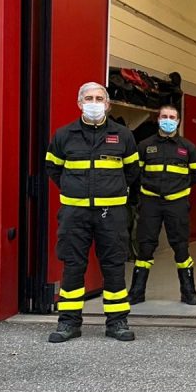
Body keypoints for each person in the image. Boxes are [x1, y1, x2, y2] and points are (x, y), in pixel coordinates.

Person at [43, 81, 141, 343]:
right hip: (75, 213)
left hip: (112, 212)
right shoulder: (64, 135)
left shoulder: (123, 135)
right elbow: (53, 169)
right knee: (73, 266)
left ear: (108, 104)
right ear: (79, 103)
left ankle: (117, 322)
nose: (94, 103)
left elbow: (132, 171)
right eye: (89, 98)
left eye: (99, 98)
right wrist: (73, 189)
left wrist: (111, 190)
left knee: (114, 266)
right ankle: (68, 323)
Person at [128, 103, 196, 306]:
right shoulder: (144, 146)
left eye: (172, 117)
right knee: (145, 247)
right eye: (165, 116)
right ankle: (137, 291)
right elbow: (135, 174)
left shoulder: (187, 147)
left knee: (181, 247)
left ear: (178, 121)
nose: (168, 121)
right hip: (150, 203)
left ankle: (188, 291)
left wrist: (181, 186)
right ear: (158, 119)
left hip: (177, 204)